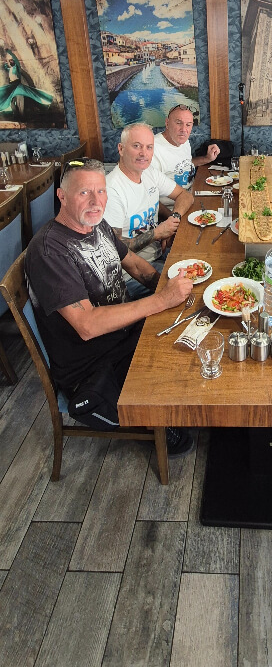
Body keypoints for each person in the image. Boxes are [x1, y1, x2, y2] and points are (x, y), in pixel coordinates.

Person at [25, 157, 194, 452]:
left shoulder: (95, 225)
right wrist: (162, 299)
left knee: (194, 332)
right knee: (184, 363)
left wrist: (167, 289)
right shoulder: (49, 251)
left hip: (123, 333)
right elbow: (87, 325)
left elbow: (135, 265)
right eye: (84, 192)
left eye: (101, 191)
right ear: (62, 196)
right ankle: (151, 420)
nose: (96, 201)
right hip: (93, 364)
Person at [104, 122, 194, 297]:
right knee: (193, 288)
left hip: (159, 254)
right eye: (136, 146)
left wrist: (173, 219)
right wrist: (156, 233)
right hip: (130, 277)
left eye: (149, 147)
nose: (143, 153)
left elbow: (185, 196)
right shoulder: (111, 190)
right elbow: (113, 252)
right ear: (121, 149)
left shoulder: (149, 173)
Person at [151, 104, 220, 210]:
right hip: (174, 208)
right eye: (179, 123)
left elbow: (185, 163)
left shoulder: (184, 141)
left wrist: (207, 158)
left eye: (188, 125)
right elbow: (149, 197)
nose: (184, 129)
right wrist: (173, 216)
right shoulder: (152, 149)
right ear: (167, 123)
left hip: (192, 196)